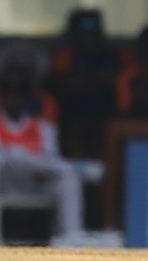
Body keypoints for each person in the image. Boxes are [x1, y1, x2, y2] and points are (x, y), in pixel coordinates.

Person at [0, 72, 85, 244]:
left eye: (18, 96)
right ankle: (73, 166)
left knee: (69, 180)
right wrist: (29, 161)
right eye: (10, 96)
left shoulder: (43, 127)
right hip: (8, 184)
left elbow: (50, 158)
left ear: (26, 100)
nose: (14, 100)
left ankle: (73, 241)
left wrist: (37, 167)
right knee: (14, 153)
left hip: (39, 183)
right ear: (2, 99)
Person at [48, 8, 125, 158]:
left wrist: (88, 80)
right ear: (73, 29)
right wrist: (97, 80)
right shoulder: (65, 54)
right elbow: (65, 84)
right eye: (84, 25)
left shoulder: (116, 53)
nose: (90, 31)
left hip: (106, 111)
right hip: (73, 112)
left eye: (94, 25)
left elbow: (121, 82)